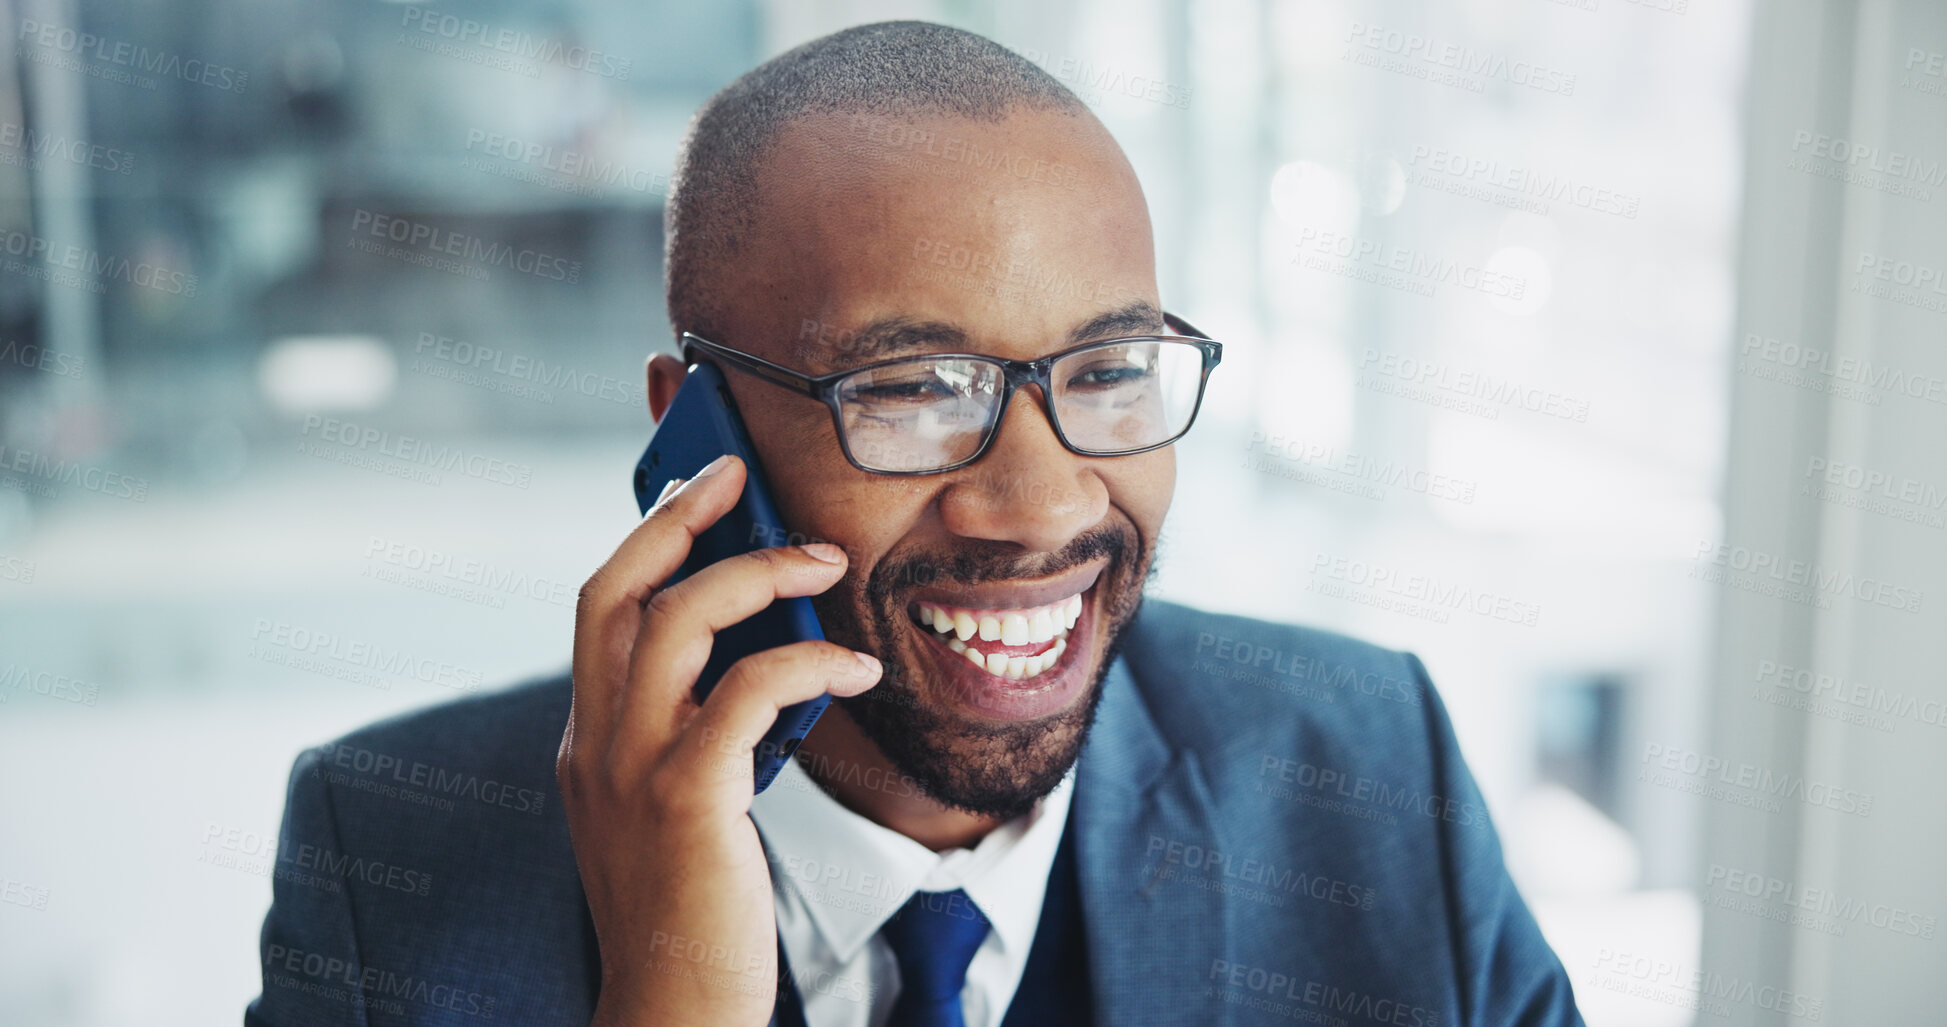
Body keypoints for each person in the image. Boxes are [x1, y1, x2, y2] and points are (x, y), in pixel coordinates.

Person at [248, 20, 1582, 1027]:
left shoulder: (1367, 772)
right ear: (689, 433)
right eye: (914, 392)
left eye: (1108, 371)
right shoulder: (390, 861)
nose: (1044, 502)